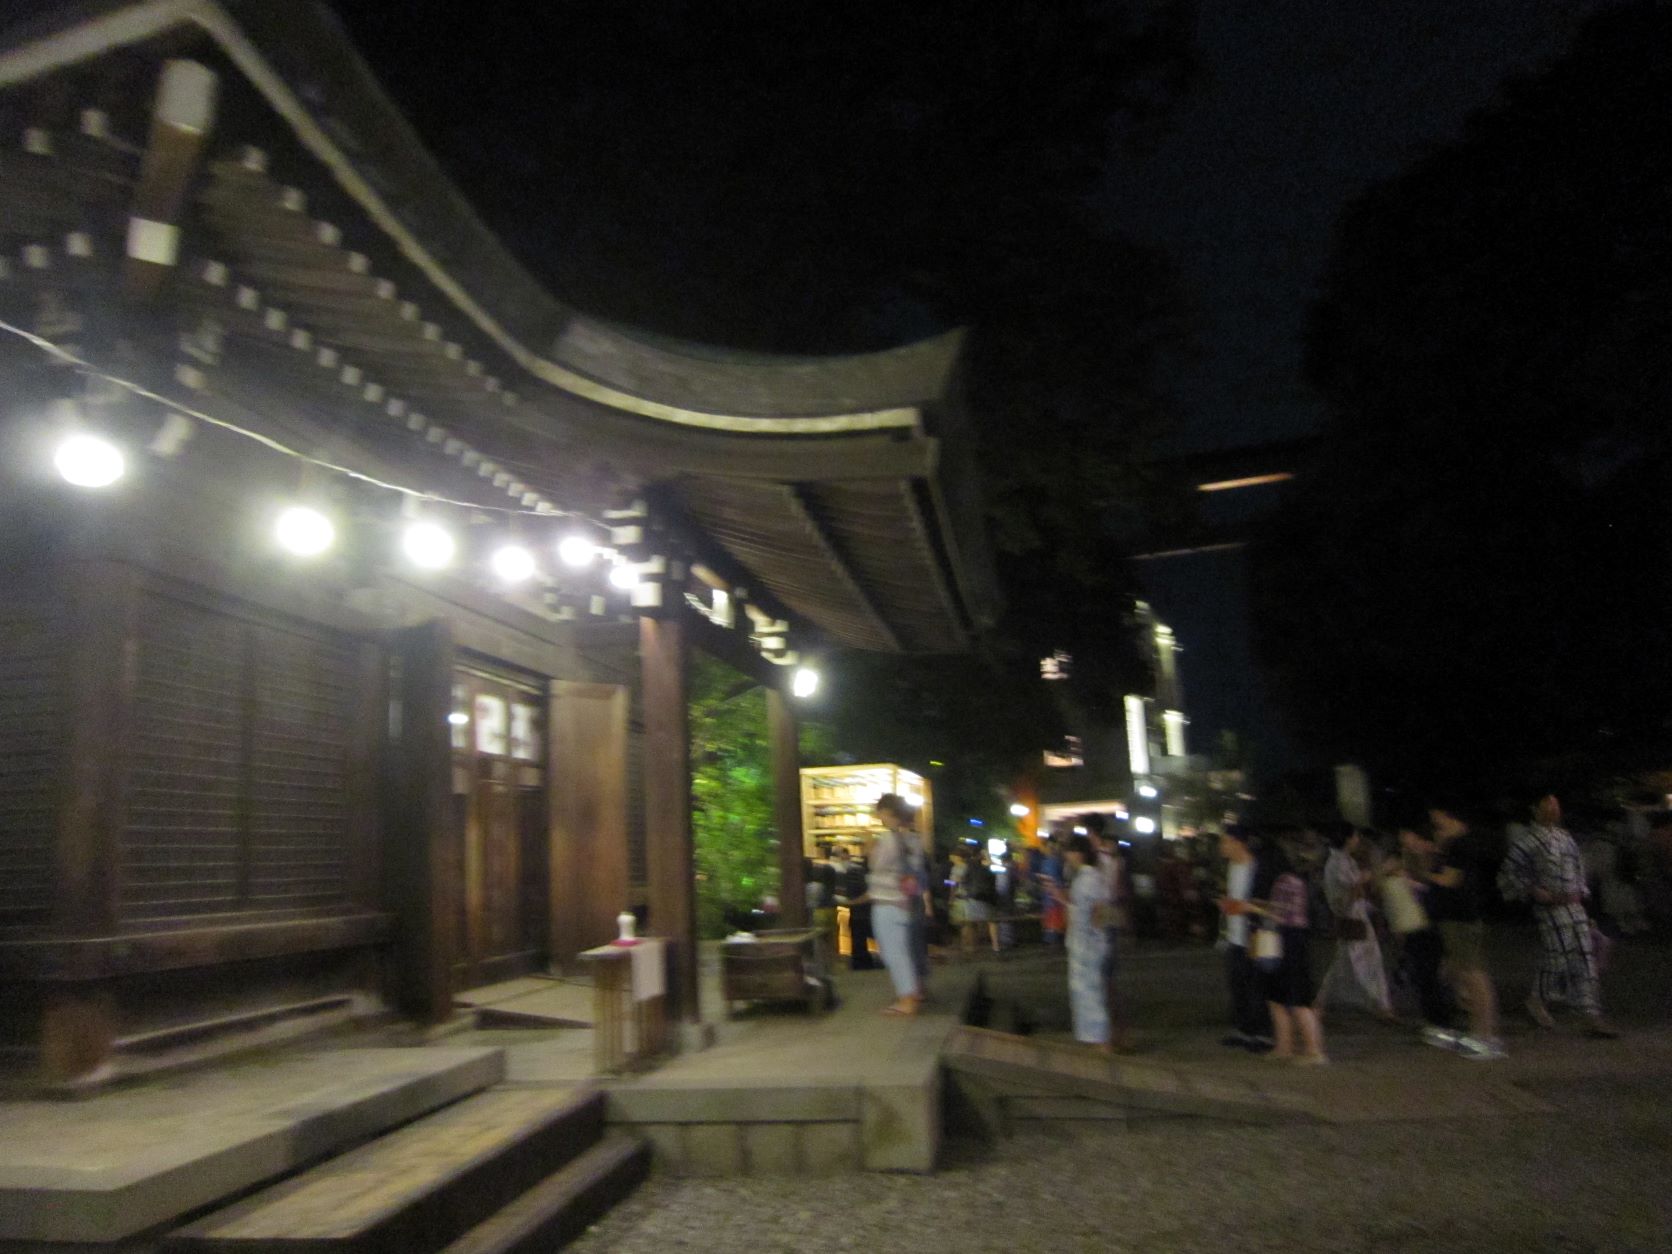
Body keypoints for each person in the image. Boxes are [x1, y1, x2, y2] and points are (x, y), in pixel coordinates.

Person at [1497, 794, 1619, 1039]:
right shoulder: (1527, 842)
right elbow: (1508, 874)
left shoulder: (1565, 838)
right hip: (1551, 907)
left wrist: (1584, 904)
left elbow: (1578, 870)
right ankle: (1538, 999)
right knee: (1558, 956)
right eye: (1547, 805)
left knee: (1584, 958)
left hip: (1573, 905)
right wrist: (1532, 889)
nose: (1553, 809)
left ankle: (1590, 1014)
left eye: (1555, 804)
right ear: (1535, 809)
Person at [1422, 804, 1504, 1059]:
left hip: (1461, 917)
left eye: (1438, 820)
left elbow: (1449, 880)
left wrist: (1424, 871)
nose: (1436, 826)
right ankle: (1478, 1032)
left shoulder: (1461, 845)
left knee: (1473, 975)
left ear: (1449, 815)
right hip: (1455, 918)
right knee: (1464, 974)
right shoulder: (1455, 844)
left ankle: (1486, 1037)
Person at [1251, 836, 1327, 1065]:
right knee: (1278, 999)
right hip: (1291, 941)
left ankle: (1314, 1052)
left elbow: (1281, 914)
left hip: (1289, 942)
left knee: (1296, 1000)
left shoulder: (1286, 881)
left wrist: (1250, 906)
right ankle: (1284, 1047)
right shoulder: (1295, 878)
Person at [1382, 826, 1457, 1040]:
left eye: (1411, 839)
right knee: (1423, 975)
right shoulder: (1407, 861)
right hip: (1417, 924)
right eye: (1404, 842)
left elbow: (1431, 886)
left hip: (1431, 924)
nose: (1408, 845)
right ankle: (1435, 1020)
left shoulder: (1433, 858)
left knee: (1430, 974)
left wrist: (1408, 876)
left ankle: (1441, 1022)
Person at [1315, 824, 1395, 1022]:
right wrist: (1379, 871)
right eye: (1355, 836)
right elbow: (1352, 887)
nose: (1358, 840)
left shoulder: (1340, 860)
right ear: (1348, 838)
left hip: (1351, 918)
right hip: (1353, 919)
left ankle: (1319, 1005)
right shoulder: (1338, 862)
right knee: (1369, 962)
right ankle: (1382, 1006)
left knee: (1344, 964)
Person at [869, 793, 928, 1016]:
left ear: (886, 812)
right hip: (905, 901)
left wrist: (870, 848)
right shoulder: (912, 838)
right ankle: (913, 993)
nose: (878, 816)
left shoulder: (889, 839)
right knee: (904, 950)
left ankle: (907, 1000)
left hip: (888, 902)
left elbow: (876, 864)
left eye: (880, 811)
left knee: (894, 952)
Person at [1215, 826, 1272, 1052]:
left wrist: (1240, 906)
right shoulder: (1232, 866)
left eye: (1224, 842)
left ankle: (1262, 1034)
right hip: (1235, 936)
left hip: (1255, 936)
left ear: (1237, 842)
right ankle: (1243, 1030)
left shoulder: (1256, 867)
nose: (1222, 847)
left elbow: (1264, 904)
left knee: (1257, 986)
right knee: (1238, 985)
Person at [1055, 834, 1112, 1050]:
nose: (1067, 857)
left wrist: (1068, 904)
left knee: (1090, 995)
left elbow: (1096, 912)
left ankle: (1101, 1044)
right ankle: (1095, 1042)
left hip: (1087, 944)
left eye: (1069, 852)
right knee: (1087, 994)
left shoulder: (1088, 878)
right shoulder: (1089, 877)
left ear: (1077, 853)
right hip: (1087, 943)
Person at [1084, 815, 1128, 1047]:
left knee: (1103, 979)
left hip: (1102, 918)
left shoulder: (1102, 857)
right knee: (1105, 979)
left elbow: (1103, 892)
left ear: (1092, 833)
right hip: (1109, 917)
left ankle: (1111, 1037)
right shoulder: (1114, 856)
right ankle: (1113, 1035)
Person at [830, 846, 875, 971]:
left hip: (858, 911)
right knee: (860, 938)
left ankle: (860, 964)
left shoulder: (852, 871)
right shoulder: (860, 871)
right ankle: (864, 963)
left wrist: (850, 902)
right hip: (865, 911)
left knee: (858, 938)